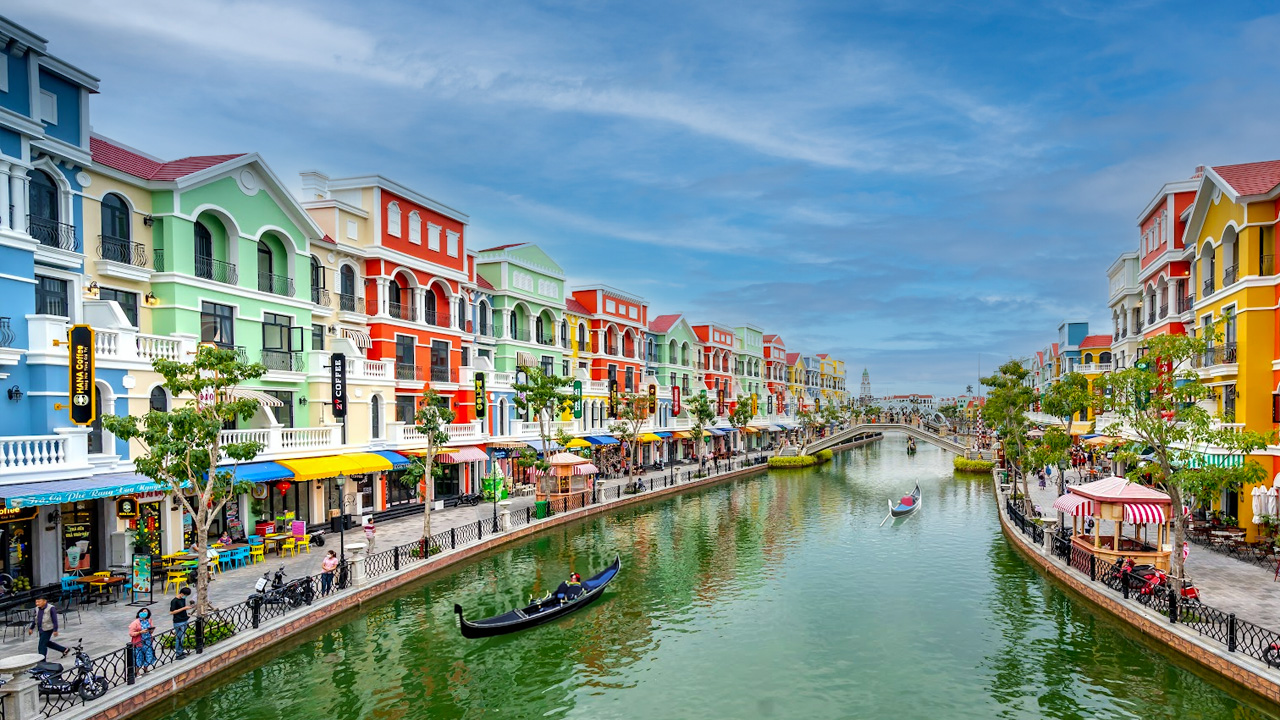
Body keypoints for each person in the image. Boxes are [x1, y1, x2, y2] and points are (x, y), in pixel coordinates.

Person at [169, 586, 194, 659]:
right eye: (185, 595)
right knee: (179, 637)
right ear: (182, 593)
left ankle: (181, 651)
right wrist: (184, 608)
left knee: (182, 637)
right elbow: (172, 612)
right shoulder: (174, 601)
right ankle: (178, 654)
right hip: (178, 621)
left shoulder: (182, 600)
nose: (185, 597)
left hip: (184, 619)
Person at [129, 608, 156, 674]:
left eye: (146, 612)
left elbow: (151, 631)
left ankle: (146, 668)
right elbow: (131, 633)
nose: (144, 613)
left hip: (148, 641)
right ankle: (137, 672)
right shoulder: (135, 622)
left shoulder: (149, 620)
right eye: (143, 612)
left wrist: (151, 630)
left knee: (148, 655)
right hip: (139, 642)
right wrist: (140, 632)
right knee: (139, 657)